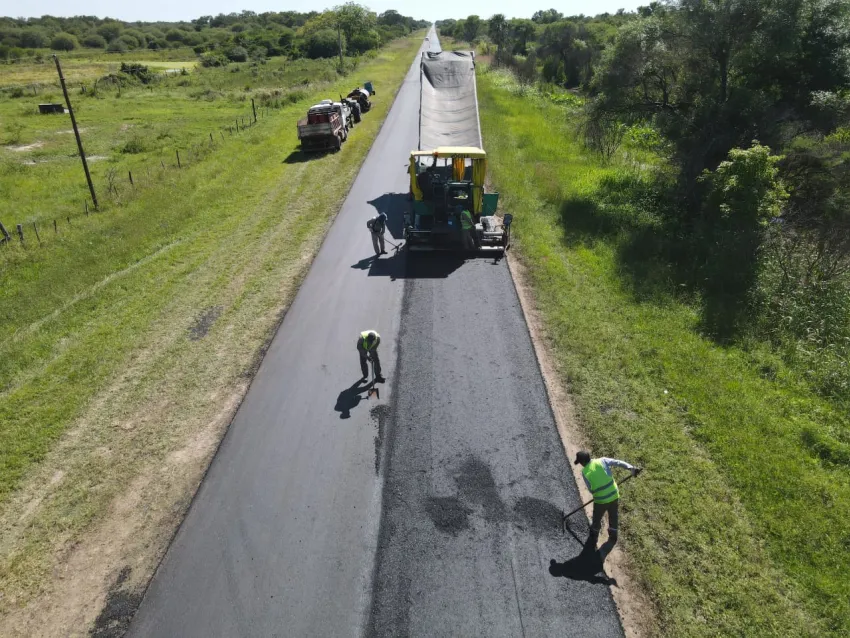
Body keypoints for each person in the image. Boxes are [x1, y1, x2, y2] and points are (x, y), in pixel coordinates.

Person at [574, 451, 642, 558]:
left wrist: (599, 492)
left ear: (582, 462)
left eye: (580, 462)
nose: (581, 464)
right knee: (613, 516)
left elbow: (590, 489)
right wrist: (631, 468)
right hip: (614, 495)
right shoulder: (602, 461)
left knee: (597, 518)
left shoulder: (585, 472)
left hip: (600, 500)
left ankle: (594, 534)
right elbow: (618, 462)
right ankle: (613, 537)